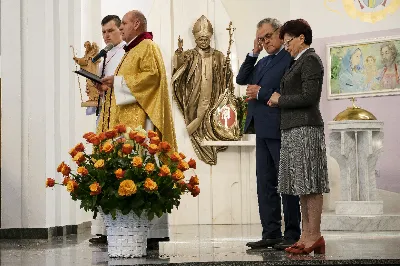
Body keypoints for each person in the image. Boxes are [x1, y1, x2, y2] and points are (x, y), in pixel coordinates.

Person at [97, 10, 177, 248]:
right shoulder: (131, 50)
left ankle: (150, 232)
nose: (121, 28)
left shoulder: (147, 47)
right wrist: (113, 83)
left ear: (137, 24)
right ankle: (129, 227)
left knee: (145, 172)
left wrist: (118, 82)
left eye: (124, 24)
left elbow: (152, 78)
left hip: (142, 125)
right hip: (127, 124)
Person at [236, 18, 301, 250]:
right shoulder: (262, 62)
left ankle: (292, 233)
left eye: (268, 37)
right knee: (265, 183)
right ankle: (270, 232)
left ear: (280, 34)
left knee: (286, 183)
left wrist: (261, 93)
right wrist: (253, 52)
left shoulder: (289, 59)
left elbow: (285, 92)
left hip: (279, 126)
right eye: (260, 39)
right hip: (260, 128)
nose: (264, 42)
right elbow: (241, 79)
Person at [268, 18, 330, 254]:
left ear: (301, 38)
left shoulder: (311, 59)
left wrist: (280, 99)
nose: (286, 46)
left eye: (288, 41)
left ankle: (314, 235)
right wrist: (280, 102)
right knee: (302, 184)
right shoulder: (297, 62)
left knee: (311, 183)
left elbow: (309, 97)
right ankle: (306, 235)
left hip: (306, 128)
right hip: (293, 128)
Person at [171, 15, 231, 165]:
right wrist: (179, 52)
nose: (203, 42)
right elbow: (179, 67)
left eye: (206, 39)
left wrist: (227, 70)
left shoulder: (218, 55)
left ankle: (213, 135)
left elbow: (226, 76)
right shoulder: (190, 54)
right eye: (200, 40)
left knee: (211, 117)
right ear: (196, 40)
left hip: (213, 94)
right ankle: (196, 134)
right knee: (195, 117)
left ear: (210, 39)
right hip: (194, 95)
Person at [87, 15, 126, 244]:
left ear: (120, 29)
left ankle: (120, 225)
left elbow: (130, 84)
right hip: (104, 118)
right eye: (103, 32)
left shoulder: (126, 53)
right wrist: (97, 88)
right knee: (102, 171)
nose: (106, 36)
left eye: (110, 31)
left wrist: (113, 85)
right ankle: (103, 228)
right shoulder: (103, 56)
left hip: (121, 120)